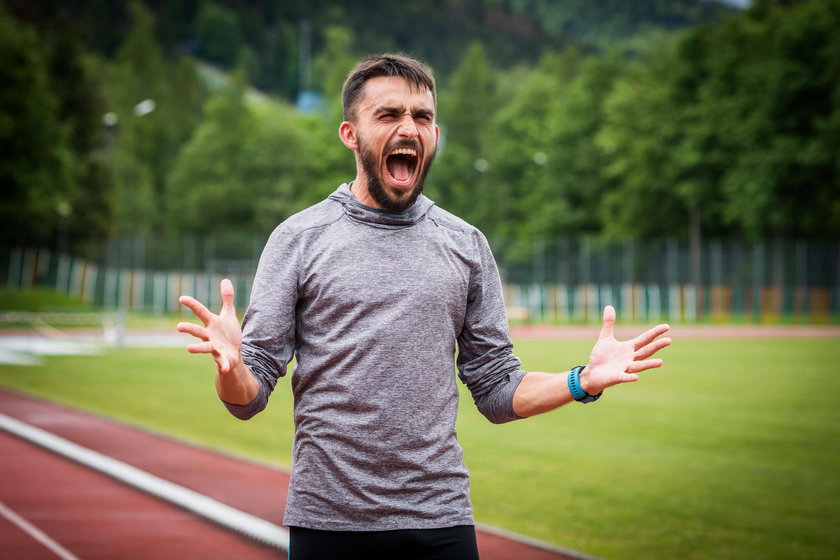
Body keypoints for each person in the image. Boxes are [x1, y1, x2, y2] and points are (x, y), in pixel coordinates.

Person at [177, 54, 671, 560]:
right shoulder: (299, 239)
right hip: (329, 524)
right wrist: (232, 367)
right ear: (350, 133)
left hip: (441, 521)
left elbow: (498, 389)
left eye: (423, 117)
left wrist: (581, 381)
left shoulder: (465, 244)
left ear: (435, 134)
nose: (409, 128)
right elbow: (248, 397)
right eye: (389, 115)